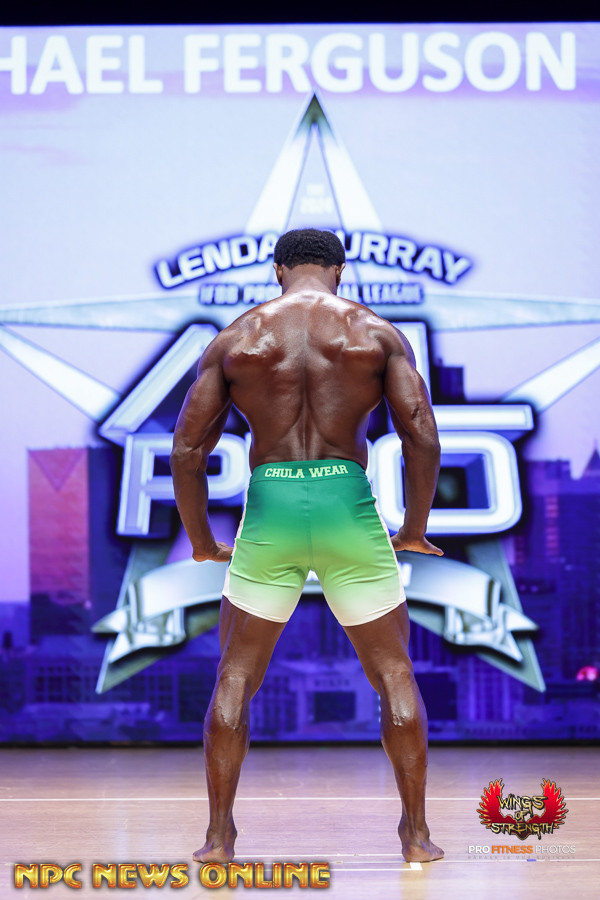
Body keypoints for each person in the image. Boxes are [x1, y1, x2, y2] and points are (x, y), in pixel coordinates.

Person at [170, 228, 444, 864]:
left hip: (272, 510)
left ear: (277, 270)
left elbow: (186, 451)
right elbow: (422, 437)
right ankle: (415, 837)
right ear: (340, 271)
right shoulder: (375, 335)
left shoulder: (236, 340)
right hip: (346, 506)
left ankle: (219, 839)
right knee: (394, 673)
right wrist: (414, 528)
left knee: (236, 675)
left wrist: (203, 541)